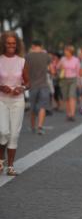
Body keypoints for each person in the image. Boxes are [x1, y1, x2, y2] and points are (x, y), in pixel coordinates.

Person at [0, 31, 29, 176]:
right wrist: (1, 87)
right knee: (3, 132)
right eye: (8, 43)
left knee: (14, 134)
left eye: (14, 43)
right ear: (3, 44)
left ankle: (10, 166)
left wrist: (21, 88)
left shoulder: (22, 61)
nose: (11, 45)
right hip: (1, 100)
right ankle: (0, 160)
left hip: (17, 101)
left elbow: (28, 82)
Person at [25, 40, 51, 134]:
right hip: (44, 84)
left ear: (33, 46)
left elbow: (24, 70)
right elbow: (51, 70)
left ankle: (32, 126)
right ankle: (40, 126)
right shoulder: (46, 56)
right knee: (42, 106)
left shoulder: (27, 56)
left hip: (32, 85)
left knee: (33, 106)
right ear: (41, 45)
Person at [57, 45, 80, 121]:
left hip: (73, 79)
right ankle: (68, 113)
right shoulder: (63, 59)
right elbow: (57, 67)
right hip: (64, 79)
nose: (65, 52)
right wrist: (61, 67)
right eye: (65, 51)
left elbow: (78, 71)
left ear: (71, 52)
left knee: (72, 96)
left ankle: (72, 114)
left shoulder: (76, 60)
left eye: (67, 51)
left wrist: (79, 82)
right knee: (66, 97)